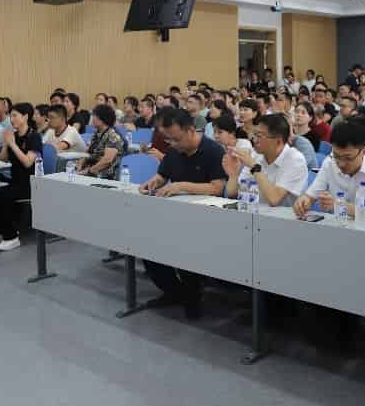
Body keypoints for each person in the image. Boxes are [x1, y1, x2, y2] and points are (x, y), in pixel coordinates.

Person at [139, 109, 227, 319]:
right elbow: (162, 175)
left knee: (187, 250)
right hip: (175, 215)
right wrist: (153, 182)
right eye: (168, 139)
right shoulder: (173, 151)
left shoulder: (213, 151)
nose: (172, 144)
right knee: (148, 249)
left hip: (207, 220)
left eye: (176, 139)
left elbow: (217, 188)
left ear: (190, 130)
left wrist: (181, 186)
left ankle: (192, 297)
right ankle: (175, 293)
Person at [294, 119, 365, 219]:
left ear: (363, 151)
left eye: (348, 158)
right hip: (336, 225)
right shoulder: (329, 162)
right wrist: (304, 201)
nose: (341, 164)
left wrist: (339, 205)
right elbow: (310, 196)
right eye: (336, 156)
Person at [0, 103, 43, 251]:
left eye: (15, 116)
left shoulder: (34, 137)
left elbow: (27, 162)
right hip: (15, 180)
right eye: (11, 116)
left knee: (3, 196)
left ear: (25, 117)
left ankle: (11, 237)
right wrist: (6, 144)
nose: (11, 119)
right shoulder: (14, 136)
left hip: (30, 183)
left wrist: (12, 144)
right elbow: (3, 160)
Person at [225, 113, 308, 208]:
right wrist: (234, 174)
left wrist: (254, 167)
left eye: (259, 136)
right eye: (254, 135)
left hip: (285, 215)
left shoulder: (295, 160)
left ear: (278, 141)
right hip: (255, 212)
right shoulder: (256, 155)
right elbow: (232, 193)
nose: (254, 140)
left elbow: (274, 199)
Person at [77, 105, 124, 179]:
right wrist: (80, 164)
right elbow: (88, 152)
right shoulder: (96, 134)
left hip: (103, 175)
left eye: (94, 115)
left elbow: (107, 160)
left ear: (103, 118)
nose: (92, 118)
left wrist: (88, 171)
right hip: (89, 171)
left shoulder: (113, 136)